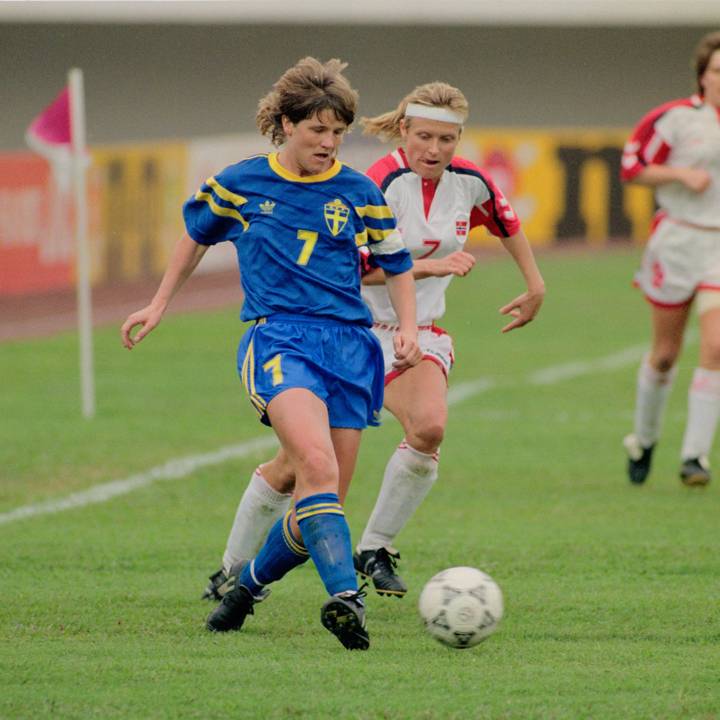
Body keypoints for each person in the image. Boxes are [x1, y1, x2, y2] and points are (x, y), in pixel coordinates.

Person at [202, 81, 545, 603]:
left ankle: (374, 548)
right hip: (353, 334)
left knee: (428, 428)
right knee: (304, 472)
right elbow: (351, 271)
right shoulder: (373, 184)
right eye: (425, 136)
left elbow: (506, 221)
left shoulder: (470, 182)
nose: (434, 150)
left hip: (417, 332)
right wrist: (428, 265)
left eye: (447, 140)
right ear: (403, 131)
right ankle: (234, 571)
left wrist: (534, 285)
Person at [121, 57, 421, 650]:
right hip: (280, 338)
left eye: (338, 132)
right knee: (316, 463)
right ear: (286, 124)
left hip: (351, 347)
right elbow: (195, 236)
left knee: (321, 500)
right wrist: (157, 304)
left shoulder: (358, 191)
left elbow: (397, 263)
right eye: (318, 131)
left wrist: (406, 327)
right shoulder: (241, 183)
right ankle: (345, 598)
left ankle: (244, 591)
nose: (329, 143)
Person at [621, 31, 720, 487]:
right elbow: (633, 167)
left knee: (716, 346)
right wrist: (681, 173)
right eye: (717, 71)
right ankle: (644, 438)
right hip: (678, 240)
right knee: (664, 355)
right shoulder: (677, 119)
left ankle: (695, 458)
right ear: (703, 76)